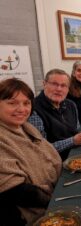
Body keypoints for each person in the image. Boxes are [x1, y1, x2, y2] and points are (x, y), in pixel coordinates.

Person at [0, 78, 61, 225]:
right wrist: (57, 200)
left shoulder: (27, 128)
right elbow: (17, 192)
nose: (21, 109)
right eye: (12, 103)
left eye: (26, 103)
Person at [28, 69, 81, 160]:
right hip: (55, 162)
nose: (59, 89)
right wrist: (73, 141)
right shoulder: (33, 110)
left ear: (68, 89)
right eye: (54, 84)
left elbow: (77, 130)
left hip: (77, 154)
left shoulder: (71, 105)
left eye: (63, 85)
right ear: (44, 84)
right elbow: (41, 149)